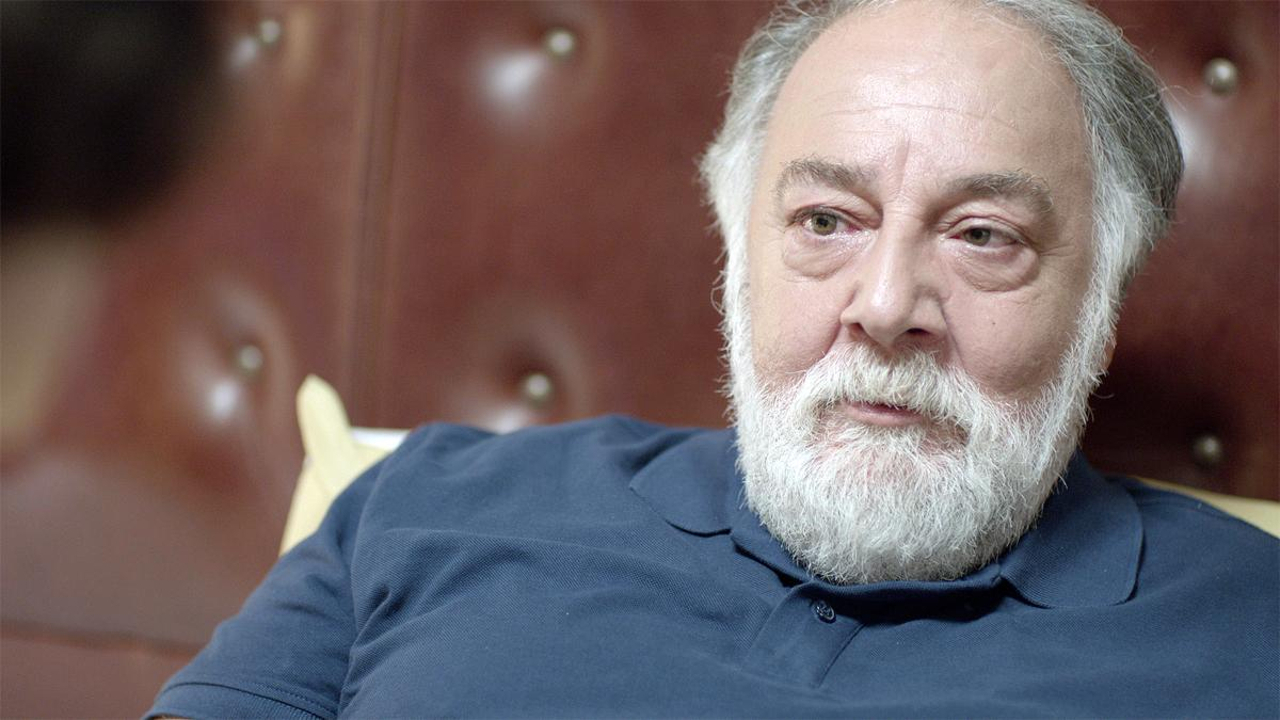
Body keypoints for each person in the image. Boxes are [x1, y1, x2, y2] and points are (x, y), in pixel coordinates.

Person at [148, 0, 1279, 716]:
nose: (886, 307)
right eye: (825, 221)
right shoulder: (428, 504)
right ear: (738, 255)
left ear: (1098, 308)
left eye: (983, 236)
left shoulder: (1251, 631)